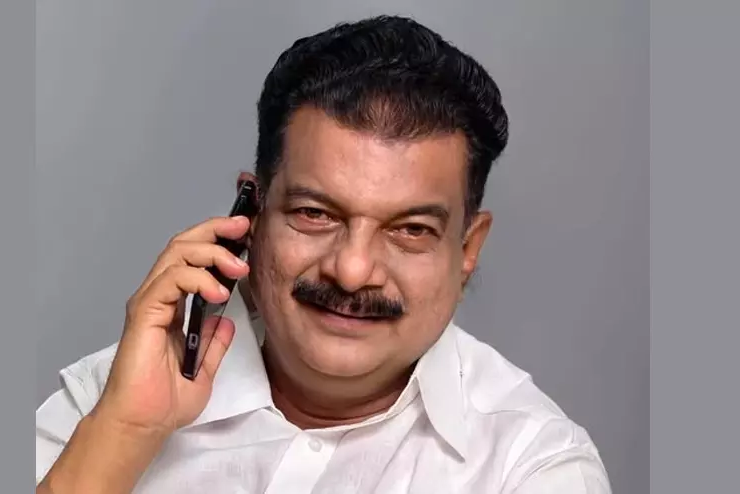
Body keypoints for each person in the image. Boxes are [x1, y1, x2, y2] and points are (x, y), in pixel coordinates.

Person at [35, 15, 611, 494]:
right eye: (316, 214)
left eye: (410, 229)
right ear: (251, 217)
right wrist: (125, 432)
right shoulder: (109, 399)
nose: (352, 270)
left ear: (467, 249)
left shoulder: (531, 467)